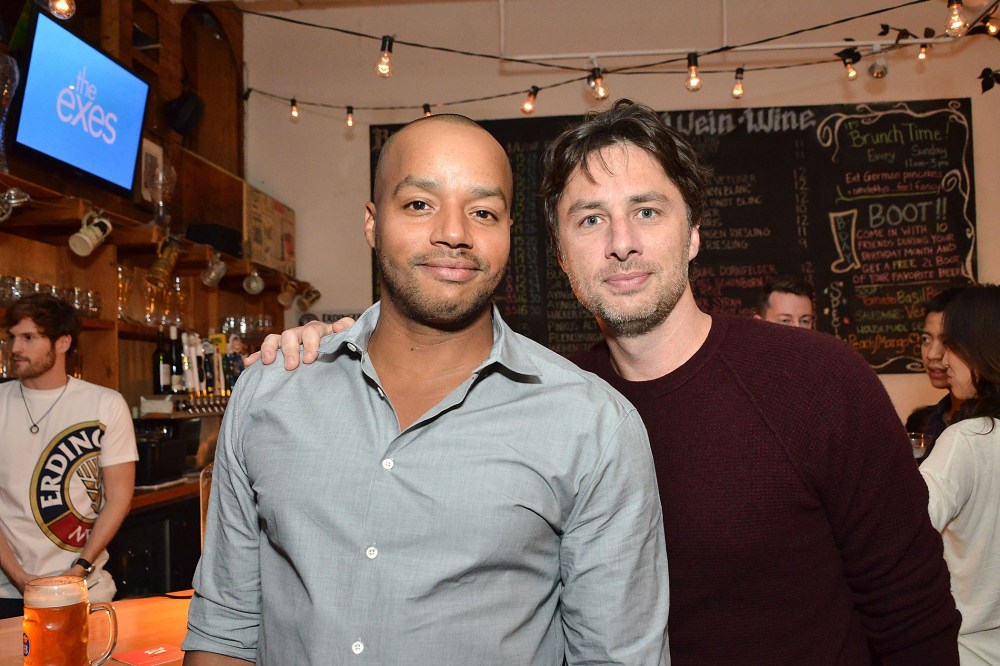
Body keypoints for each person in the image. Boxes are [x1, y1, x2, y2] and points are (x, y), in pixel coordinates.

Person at [258, 100, 961, 664]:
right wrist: (330, 351)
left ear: (691, 233)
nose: (621, 241)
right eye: (590, 219)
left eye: (647, 212)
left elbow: (913, 616)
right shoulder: (542, 403)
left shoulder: (818, 381)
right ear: (559, 253)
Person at [183, 114, 669, 665]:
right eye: (419, 204)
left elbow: (616, 656)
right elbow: (224, 629)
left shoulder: (593, 425)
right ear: (372, 222)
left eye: (482, 212)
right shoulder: (272, 393)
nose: (454, 233)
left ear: (509, 231)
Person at [0, 294, 137, 619]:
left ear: (62, 343)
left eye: (29, 337)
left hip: (87, 588)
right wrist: (20, 578)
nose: (15, 348)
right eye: (12, 337)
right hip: (7, 593)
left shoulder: (104, 403)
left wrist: (79, 569)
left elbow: (119, 497)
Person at [919, 284, 1000, 664]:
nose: (942, 360)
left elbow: (905, 533)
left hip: (965, 652)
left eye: (952, 345)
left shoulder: (967, 439)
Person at [915, 287, 966, 441]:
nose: (932, 355)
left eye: (947, 342)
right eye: (926, 339)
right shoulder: (929, 421)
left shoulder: (987, 427)